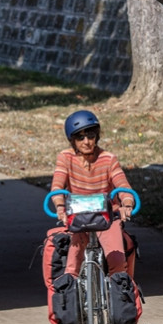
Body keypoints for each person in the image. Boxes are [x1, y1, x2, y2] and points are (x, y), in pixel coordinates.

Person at [50, 109, 135, 276]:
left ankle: (117, 295)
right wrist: (60, 207)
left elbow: (123, 186)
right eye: (80, 137)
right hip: (78, 218)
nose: (87, 141)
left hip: (106, 217)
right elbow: (57, 187)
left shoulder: (108, 158)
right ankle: (72, 296)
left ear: (97, 136)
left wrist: (127, 204)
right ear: (72, 140)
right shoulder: (65, 158)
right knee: (72, 265)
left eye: (91, 135)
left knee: (117, 261)